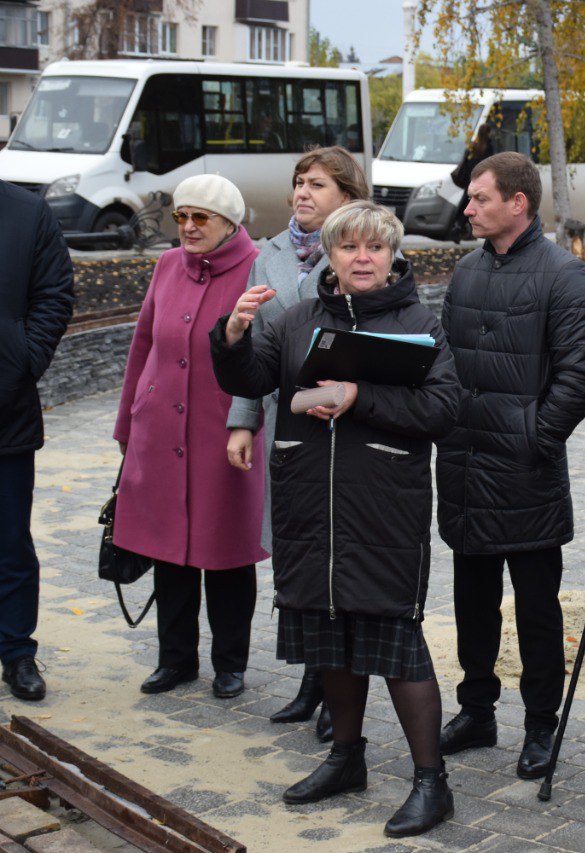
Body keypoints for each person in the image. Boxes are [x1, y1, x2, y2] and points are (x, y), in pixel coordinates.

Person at [210, 201, 460, 838]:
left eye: (375, 248)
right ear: (330, 255)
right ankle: (346, 759)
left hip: (383, 509)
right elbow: (254, 376)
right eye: (349, 248)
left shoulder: (418, 321)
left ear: (393, 254)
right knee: (331, 637)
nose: (363, 259)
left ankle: (432, 782)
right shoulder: (296, 319)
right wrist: (233, 334)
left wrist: (360, 397)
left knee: (395, 641)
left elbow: (442, 408)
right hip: (309, 507)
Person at [435, 151, 585, 780]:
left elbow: (582, 376)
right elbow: (444, 361)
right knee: (471, 604)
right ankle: (476, 711)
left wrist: (532, 438)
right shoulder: (465, 272)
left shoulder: (564, 276)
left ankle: (541, 726)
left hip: (525, 476)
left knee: (536, 612)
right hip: (464, 471)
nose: (469, 208)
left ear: (518, 203)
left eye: (480, 198)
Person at [225, 146, 372, 740]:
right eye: (298, 183)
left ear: (347, 195)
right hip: (284, 427)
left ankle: (337, 692)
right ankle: (312, 680)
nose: (302, 194)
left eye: (317, 184)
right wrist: (242, 420)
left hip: (344, 429)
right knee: (296, 557)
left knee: (338, 558)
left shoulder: (368, 250)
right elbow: (257, 342)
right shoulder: (270, 255)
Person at [113, 175, 266, 699]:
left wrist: (247, 419)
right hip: (159, 428)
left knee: (226, 549)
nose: (188, 226)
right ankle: (175, 659)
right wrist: (127, 423)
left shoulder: (254, 267)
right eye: (181, 216)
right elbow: (144, 344)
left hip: (223, 432)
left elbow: (263, 355)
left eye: (200, 216)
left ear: (229, 221)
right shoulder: (165, 265)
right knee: (168, 549)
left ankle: (231, 662)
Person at [0, 180, 75, 703]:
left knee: (9, 541)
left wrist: (23, 361)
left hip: (5, 408)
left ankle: (16, 652)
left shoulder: (27, 213)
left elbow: (54, 294)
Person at [449, 123, 494, 242]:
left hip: (470, 180)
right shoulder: (488, 147)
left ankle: (458, 226)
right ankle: (461, 228)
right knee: (477, 205)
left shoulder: (473, 146)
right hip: (481, 180)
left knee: (466, 203)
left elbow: (466, 162)